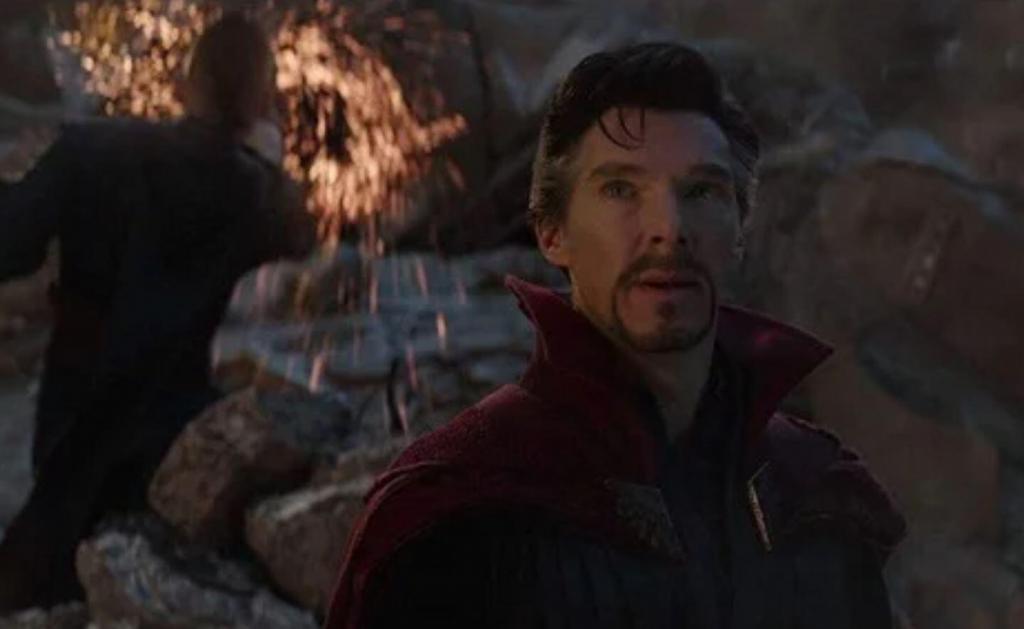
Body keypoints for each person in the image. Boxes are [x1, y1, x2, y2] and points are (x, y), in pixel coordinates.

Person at [324, 42, 907, 628]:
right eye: (621, 190)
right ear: (552, 233)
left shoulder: (814, 496)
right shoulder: (457, 512)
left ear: (737, 229)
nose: (669, 229)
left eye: (701, 191)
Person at [0, 12, 316, 610]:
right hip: (176, 461)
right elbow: (303, 240)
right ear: (261, 101)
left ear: (183, 83)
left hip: (73, 442)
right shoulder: (261, 195)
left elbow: (9, 244)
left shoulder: (87, 150)